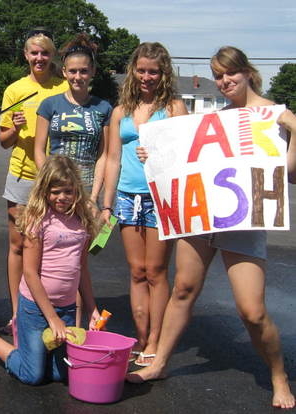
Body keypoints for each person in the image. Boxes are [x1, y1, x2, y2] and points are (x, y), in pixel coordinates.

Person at [127, 46, 295, 410]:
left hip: (244, 221)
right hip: (200, 216)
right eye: (218, 75)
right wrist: (152, 155)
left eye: (229, 73)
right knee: (184, 289)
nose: (224, 81)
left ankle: (279, 376)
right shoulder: (216, 121)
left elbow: (290, 174)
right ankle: (159, 363)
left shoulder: (274, 115)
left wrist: (294, 130)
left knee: (252, 311)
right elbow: (181, 162)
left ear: (247, 72)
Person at [0, 155, 101, 385]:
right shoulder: (39, 221)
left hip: (65, 308)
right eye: (55, 192)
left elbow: (82, 268)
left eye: (67, 191)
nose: (62, 197)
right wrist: (52, 318)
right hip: (35, 309)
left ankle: (35, 351)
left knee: (61, 374)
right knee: (32, 375)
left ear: (76, 190)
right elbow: (30, 273)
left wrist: (92, 309)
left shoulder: (81, 222)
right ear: (45, 190)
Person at [100, 42, 188, 367]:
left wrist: (160, 155)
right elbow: (112, 159)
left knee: (157, 271)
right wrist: (106, 204)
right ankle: (140, 336)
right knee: (137, 271)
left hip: (161, 197)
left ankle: (155, 340)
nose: (147, 77)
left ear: (163, 72)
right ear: (133, 71)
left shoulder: (175, 108)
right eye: (141, 70)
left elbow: (186, 155)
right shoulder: (120, 110)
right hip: (126, 196)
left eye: (153, 71)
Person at [0, 28, 67, 332]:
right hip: (23, 175)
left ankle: (53, 309)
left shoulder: (64, 86)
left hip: (56, 180)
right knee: (18, 245)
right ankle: (17, 312)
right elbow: (3, 141)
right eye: (34, 53)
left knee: (56, 246)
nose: (39, 58)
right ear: (25, 55)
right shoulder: (15, 90)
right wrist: (13, 128)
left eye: (45, 53)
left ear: (52, 56)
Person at [34, 33, 112, 206]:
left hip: (86, 191)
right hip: (54, 191)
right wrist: (48, 184)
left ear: (93, 71)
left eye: (84, 71)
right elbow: (39, 150)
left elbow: (103, 156)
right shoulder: (49, 105)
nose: (78, 77)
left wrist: (94, 196)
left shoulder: (104, 108)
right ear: (64, 72)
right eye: (72, 71)